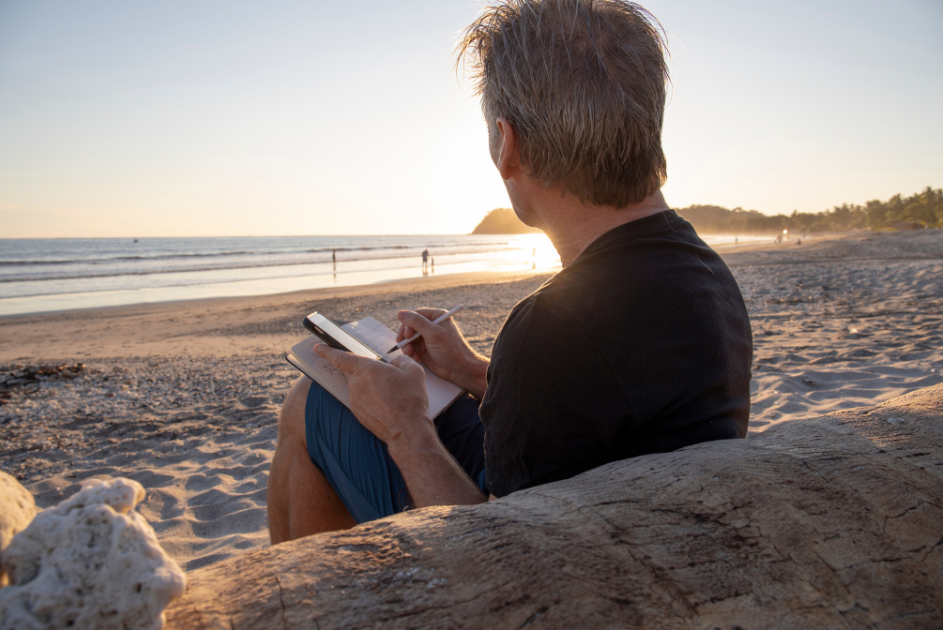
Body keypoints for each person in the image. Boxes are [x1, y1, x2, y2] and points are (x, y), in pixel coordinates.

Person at [267, 0, 752, 542]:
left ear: (508, 144)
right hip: (633, 510)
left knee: (310, 403)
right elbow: (611, 404)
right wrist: (472, 371)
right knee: (320, 398)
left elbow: (497, 547)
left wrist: (407, 429)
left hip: (574, 555)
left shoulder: (553, 328)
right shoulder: (706, 272)